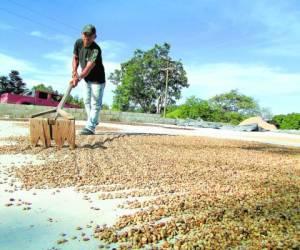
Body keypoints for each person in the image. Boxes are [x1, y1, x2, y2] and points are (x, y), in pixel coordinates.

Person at [71, 24, 105, 135]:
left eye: (90, 36)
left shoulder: (96, 50)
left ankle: (90, 127)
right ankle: (94, 120)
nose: (86, 38)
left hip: (97, 81)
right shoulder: (78, 43)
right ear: (82, 34)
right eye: (85, 35)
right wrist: (74, 73)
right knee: (86, 101)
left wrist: (78, 78)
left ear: (95, 36)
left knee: (95, 103)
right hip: (86, 79)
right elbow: (75, 58)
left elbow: (88, 68)